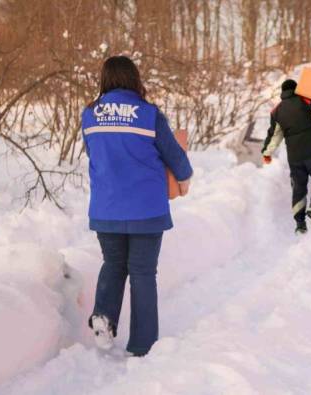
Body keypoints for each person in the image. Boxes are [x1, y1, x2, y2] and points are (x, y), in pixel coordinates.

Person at [81, 56, 193, 357]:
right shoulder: (148, 114)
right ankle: (143, 344)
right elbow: (174, 155)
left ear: (105, 79)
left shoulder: (90, 115)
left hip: (106, 210)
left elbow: (94, 153)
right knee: (143, 272)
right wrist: (185, 177)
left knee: (113, 264)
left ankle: (104, 315)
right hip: (146, 209)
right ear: (134, 78)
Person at [261, 79, 311, 234]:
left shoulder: (276, 111)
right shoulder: (306, 101)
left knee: (299, 188)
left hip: (295, 158)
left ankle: (300, 225)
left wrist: (267, 153)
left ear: (283, 93)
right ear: (297, 89)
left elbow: (274, 136)